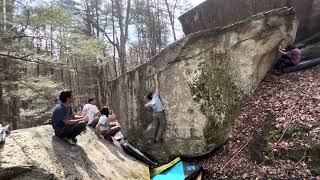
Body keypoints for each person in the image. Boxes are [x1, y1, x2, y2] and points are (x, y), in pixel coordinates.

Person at [145, 74, 166, 143]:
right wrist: (156, 79)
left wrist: (148, 104)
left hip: (154, 114)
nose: (153, 92)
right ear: (152, 95)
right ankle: (158, 138)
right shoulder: (156, 96)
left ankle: (153, 138)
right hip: (159, 113)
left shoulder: (151, 102)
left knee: (156, 126)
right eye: (152, 93)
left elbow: (146, 105)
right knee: (163, 124)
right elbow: (157, 87)